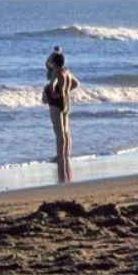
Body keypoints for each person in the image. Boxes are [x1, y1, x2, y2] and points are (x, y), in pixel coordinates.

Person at [45, 52, 79, 180]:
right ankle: (66, 154)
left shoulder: (56, 72)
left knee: (58, 131)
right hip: (66, 101)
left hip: (57, 103)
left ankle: (59, 156)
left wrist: (52, 93)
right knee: (65, 131)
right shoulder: (66, 71)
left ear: (54, 61)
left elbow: (52, 84)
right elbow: (76, 83)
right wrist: (66, 90)